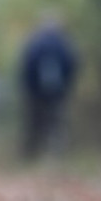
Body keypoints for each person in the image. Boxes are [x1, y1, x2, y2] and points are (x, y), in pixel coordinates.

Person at [19, 16, 79, 158]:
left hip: (35, 93)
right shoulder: (64, 43)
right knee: (57, 123)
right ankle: (56, 155)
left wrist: (29, 88)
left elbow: (26, 66)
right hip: (58, 92)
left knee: (35, 123)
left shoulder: (35, 43)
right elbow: (72, 65)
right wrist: (66, 86)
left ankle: (32, 154)